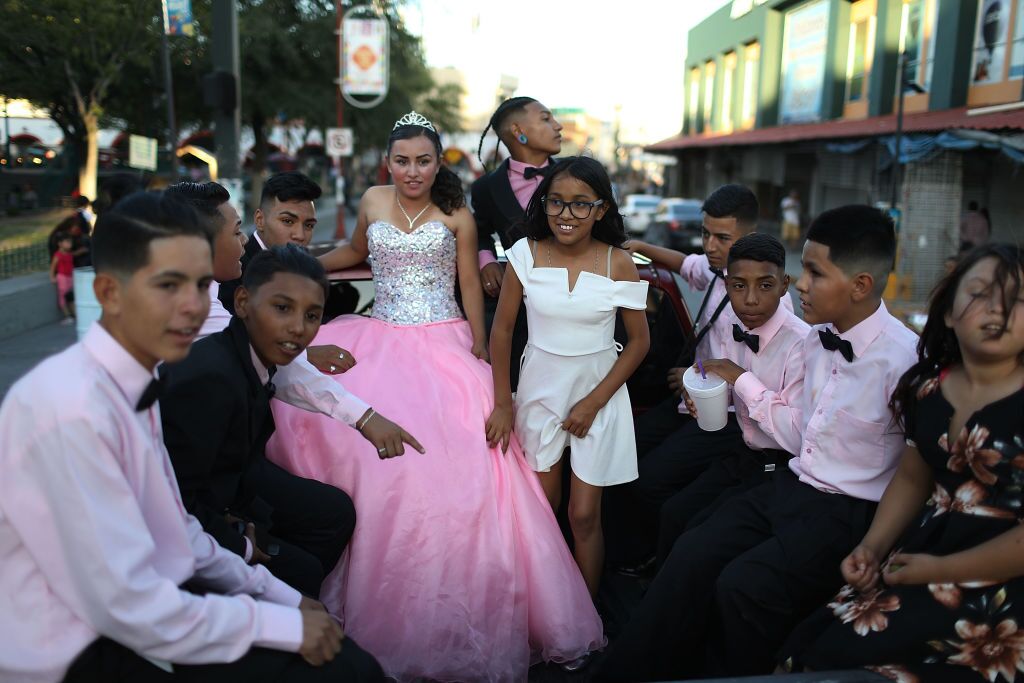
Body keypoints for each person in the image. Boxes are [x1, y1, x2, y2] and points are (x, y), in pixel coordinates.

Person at [270, 112, 605, 682]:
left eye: (423, 160)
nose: (412, 171)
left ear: (438, 162)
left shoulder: (457, 211)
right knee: (361, 457)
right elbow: (353, 255)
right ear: (388, 163)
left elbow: (471, 284)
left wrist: (477, 347)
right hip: (381, 338)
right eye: (401, 161)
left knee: (468, 471)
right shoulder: (374, 201)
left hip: (444, 341)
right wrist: (286, 268)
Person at [0, 190, 383, 683]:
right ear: (110, 294)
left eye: (201, 285)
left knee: (349, 662)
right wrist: (279, 624)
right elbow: (129, 603)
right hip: (71, 652)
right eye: (167, 285)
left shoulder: (140, 385)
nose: (191, 307)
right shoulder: (74, 407)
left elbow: (178, 531)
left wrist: (287, 601)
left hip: (148, 613)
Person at [595, 205, 919, 681]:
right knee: (691, 551)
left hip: (847, 508)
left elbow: (916, 468)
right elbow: (802, 433)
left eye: (812, 272)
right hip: (791, 483)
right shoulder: (818, 340)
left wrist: (742, 382)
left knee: (742, 586)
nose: (800, 284)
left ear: (860, 286)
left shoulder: (904, 360)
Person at [780, 243, 1024, 681]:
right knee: (811, 651)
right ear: (948, 312)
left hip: (1003, 586)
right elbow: (913, 478)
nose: (998, 309)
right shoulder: (929, 388)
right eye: (981, 293)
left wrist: (941, 570)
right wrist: (871, 548)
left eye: (1017, 298)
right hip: (922, 556)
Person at [605, 184, 793, 573]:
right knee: (624, 446)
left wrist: (698, 374)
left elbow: (758, 380)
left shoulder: (766, 303)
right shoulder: (715, 271)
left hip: (725, 416)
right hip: (692, 398)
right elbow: (682, 262)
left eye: (722, 237)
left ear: (749, 235)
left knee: (651, 481)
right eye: (706, 234)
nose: (709, 245)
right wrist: (637, 246)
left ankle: (650, 555)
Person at [488, 156, 650, 597]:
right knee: (542, 509)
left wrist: (593, 403)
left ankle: (584, 617)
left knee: (583, 515)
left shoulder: (619, 263)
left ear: (601, 209)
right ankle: (544, 607)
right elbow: (501, 332)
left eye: (581, 204)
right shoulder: (526, 254)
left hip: (599, 396)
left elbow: (638, 343)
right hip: (539, 391)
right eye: (556, 202)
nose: (566, 214)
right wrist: (503, 403)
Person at [160, 245, 360, 599]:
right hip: (172, 540)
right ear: (241, 303)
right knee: (303, 570)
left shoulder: (251, 360)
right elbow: (172, 504)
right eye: (282, 308)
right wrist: (242, 544)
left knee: (333, 515)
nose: (298, 328)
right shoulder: (211, 378)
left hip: (226, 502)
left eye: (312, 316)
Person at [655, 232, 808, 564]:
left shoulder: (803, 346)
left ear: (785, 285)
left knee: (696, 542)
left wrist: (739, 378)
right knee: (674, 513)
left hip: (782, 469)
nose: (750, 299)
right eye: (739, 286)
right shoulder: (735, 328)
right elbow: (718, 381)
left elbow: (798, 435)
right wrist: (700, 396)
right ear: (727, 286)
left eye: (765, 286)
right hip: (742, 451)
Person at [471, 96, 563, 389]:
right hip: (520, 313)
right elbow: (479, 231)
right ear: (518, 131)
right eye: (546, 118)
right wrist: (486, 262)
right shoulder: (486, 188)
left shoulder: (575, 175)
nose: (558, 126)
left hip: (575, 307)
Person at [49, 232, 76, 324]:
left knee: (70, 296)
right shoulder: (58, 255)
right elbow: (53, 267)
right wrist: (52, 277)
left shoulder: (69, 254)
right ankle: (67, 316)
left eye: (70, 242)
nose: (69, 244)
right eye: (67, 242)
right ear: (60, 244)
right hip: (62, 278)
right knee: (63, 297)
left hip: (69, 278)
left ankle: (74, 314)